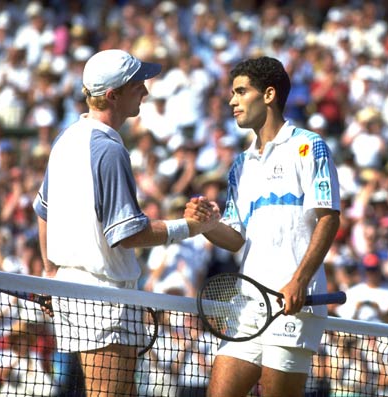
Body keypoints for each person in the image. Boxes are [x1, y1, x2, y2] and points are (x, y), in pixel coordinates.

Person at [31, 49, 221, 396]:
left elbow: (44, 213)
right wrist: (189, 227)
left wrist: (50, 273)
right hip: (104, 296)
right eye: (137, 86)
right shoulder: (108, 148)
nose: (145, 92)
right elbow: (126, 235)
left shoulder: (64, 140)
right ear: (112, 95)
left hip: (73, 290)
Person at [187, 56, 341, 397]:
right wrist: (206, 224)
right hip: (248, 306)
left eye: (241, 92)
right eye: (232, 93)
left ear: (269, 95)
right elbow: (234, 239)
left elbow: (329, 218)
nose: (232, 101)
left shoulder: (308, 146)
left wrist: (299, 280)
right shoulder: (240, 165)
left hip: (294, 305)